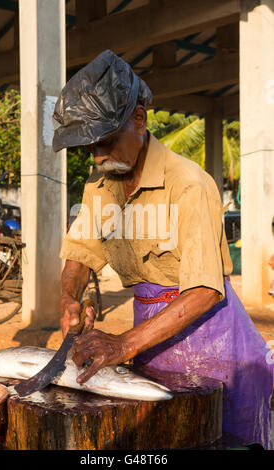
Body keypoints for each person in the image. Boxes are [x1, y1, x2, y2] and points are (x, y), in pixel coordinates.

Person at [53, 50, 273, 448]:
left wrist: (122, 344)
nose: (99, 156)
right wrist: (71, 294)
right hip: (150, 337)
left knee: (219, 436)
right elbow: (81, 251)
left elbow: (205, 290)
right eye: (90, 149)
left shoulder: (188, 183)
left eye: (106, 141)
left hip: (213, 340)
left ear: (139, 119)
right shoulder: (100, 185)